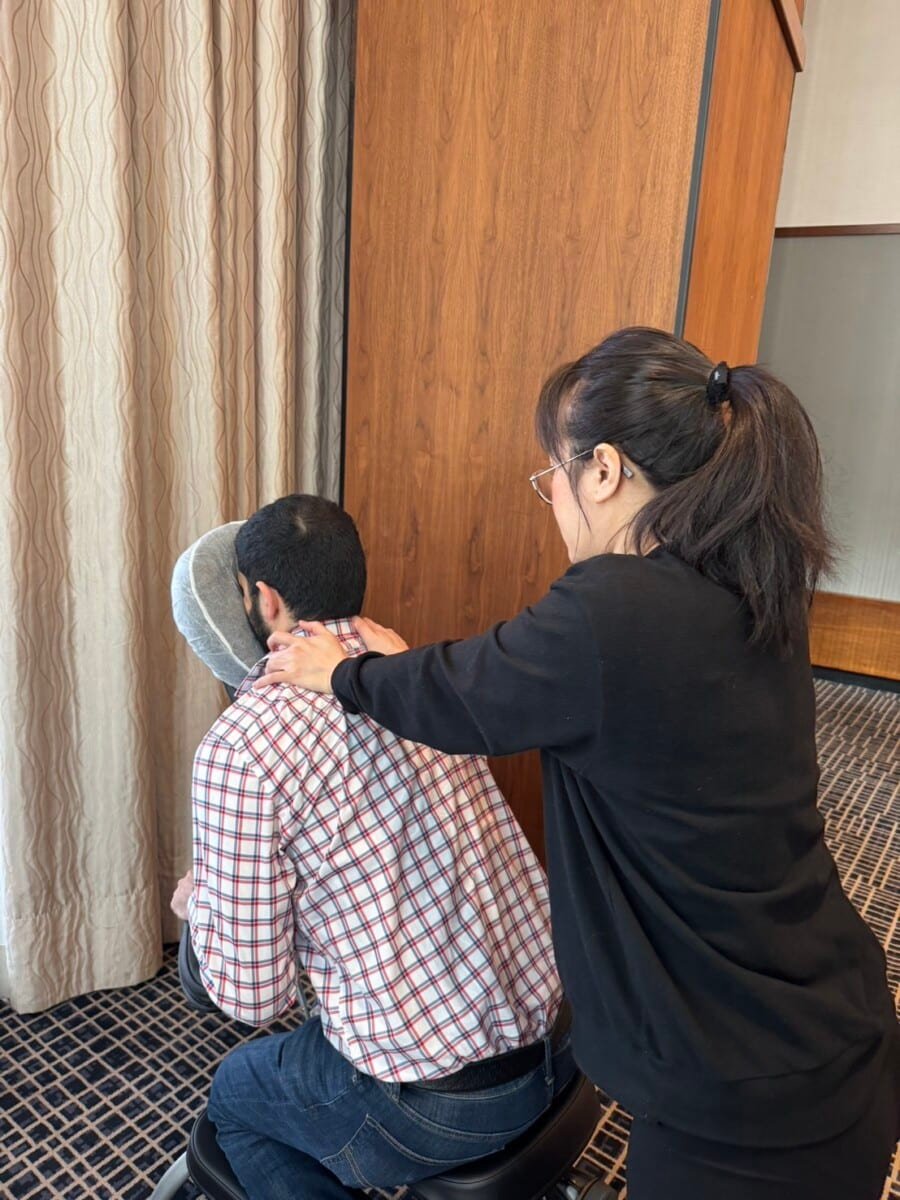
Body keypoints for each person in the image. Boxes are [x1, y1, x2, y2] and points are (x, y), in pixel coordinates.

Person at [256, 328, 900, 1200]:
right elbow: (501, 682)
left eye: (549, 474)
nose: (551, 497)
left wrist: (342, 673)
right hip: (824, 1014)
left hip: (742, 1092)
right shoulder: (742, 580)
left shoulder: (616, 608)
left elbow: (464, 697)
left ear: (603, 470)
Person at [170, 494, 573, 1200]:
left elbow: (250, 995)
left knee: (234, 1095)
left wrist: (200, 900)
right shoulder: (410, 667)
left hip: (445, 1104)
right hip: (565, 1040)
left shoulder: (243, 747)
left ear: (264, 600)